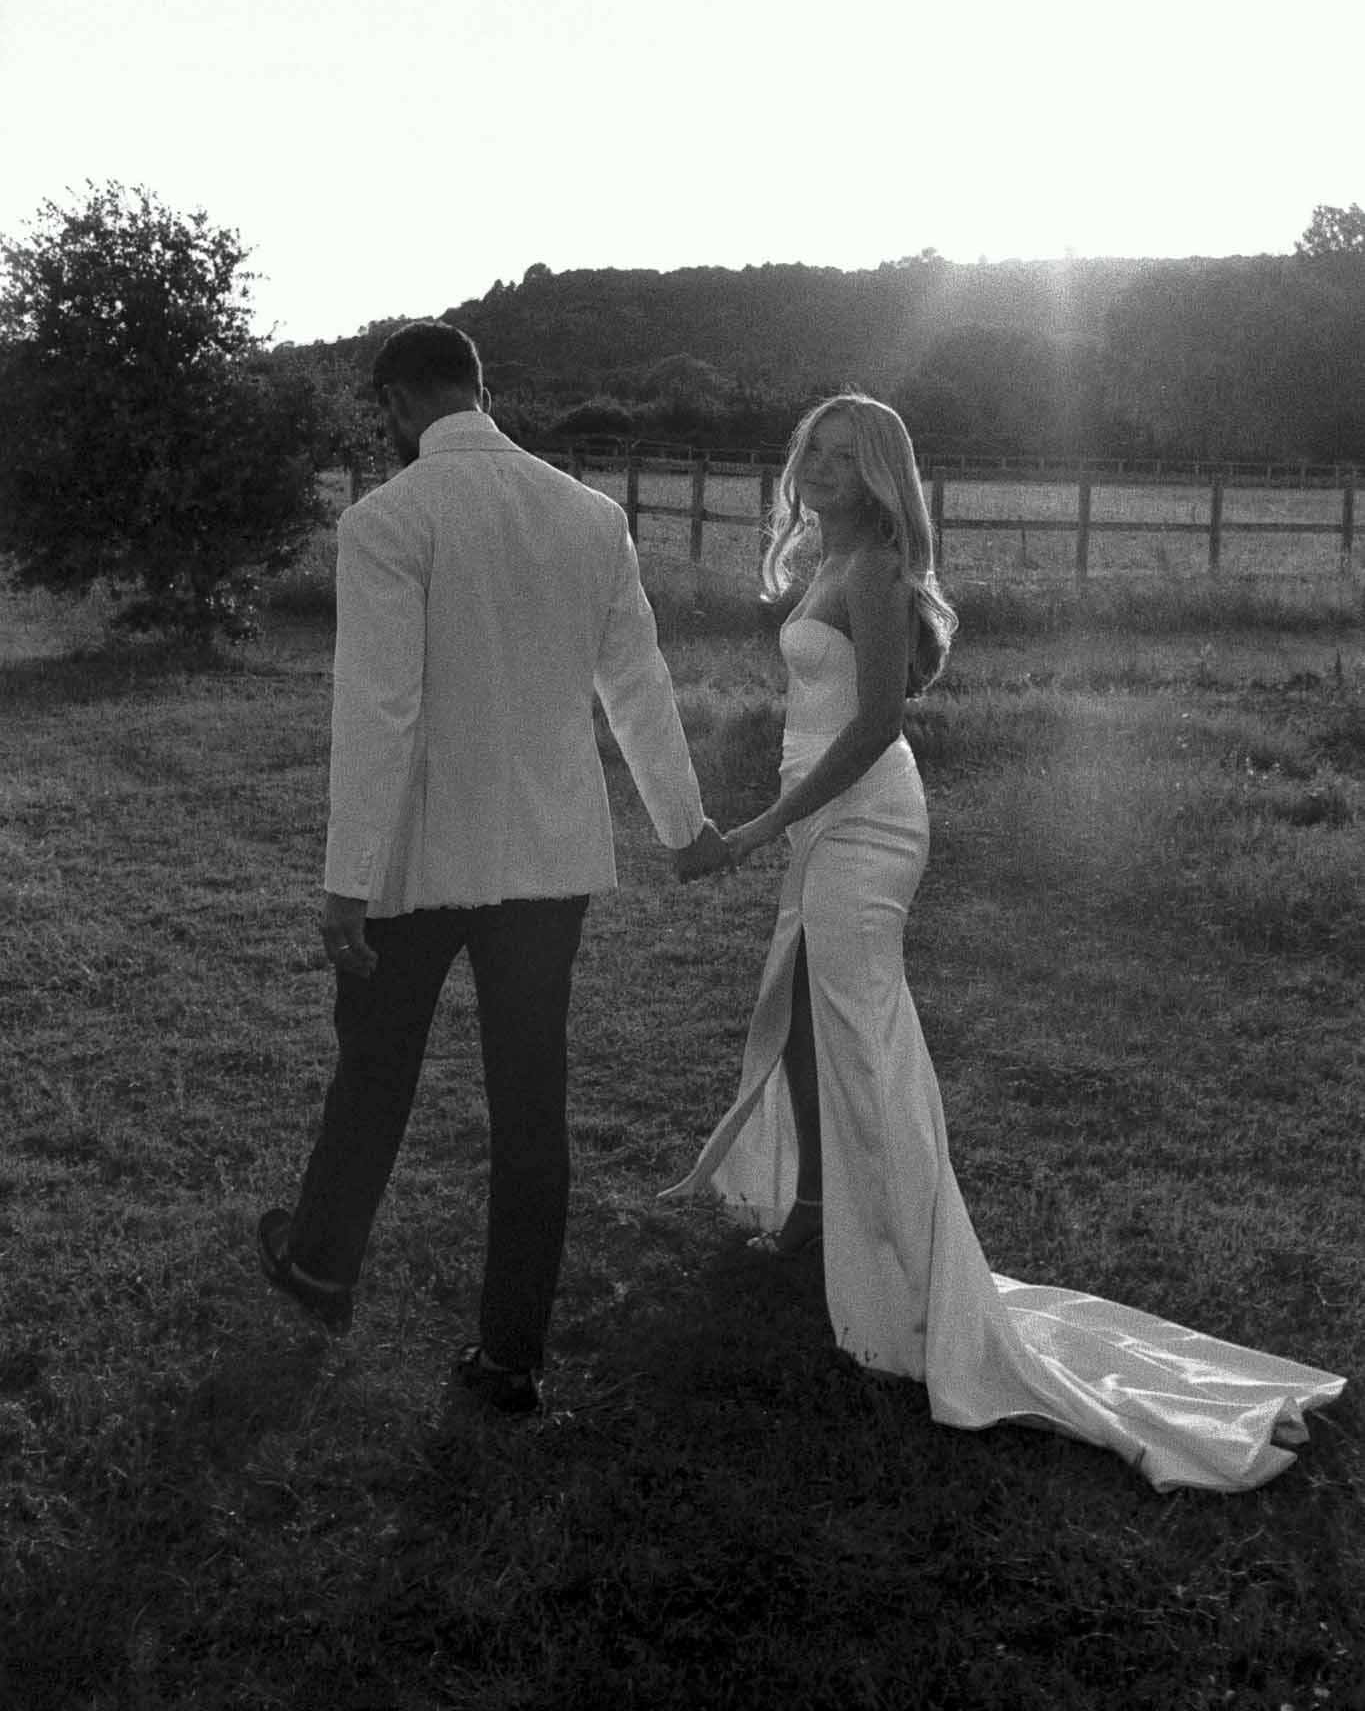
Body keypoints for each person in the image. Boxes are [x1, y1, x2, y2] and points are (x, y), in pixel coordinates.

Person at [661, 392, 1344, 1491]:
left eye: (850, 454)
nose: (828, 467)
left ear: (883, 474)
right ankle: (815, 1211)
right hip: (817, 811)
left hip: (865, 821)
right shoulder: (822, 559)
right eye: (817, 451)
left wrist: (759, 826)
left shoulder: (876, 564)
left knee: (858, 1026)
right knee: (798, 1009)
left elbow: (878, 722)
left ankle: (907, 1267)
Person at [260, 320, 730, 1416]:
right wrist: (683, 825)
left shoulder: (387, 518)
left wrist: (345, 878)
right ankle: (511, 1352)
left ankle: (322, 1265)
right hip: (547, 861)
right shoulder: (591, 514)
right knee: (533, 1103)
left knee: (373, 1072)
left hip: (419, 857)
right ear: (482, 386)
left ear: (394, 404)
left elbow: (380, 708)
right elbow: (640, 683)